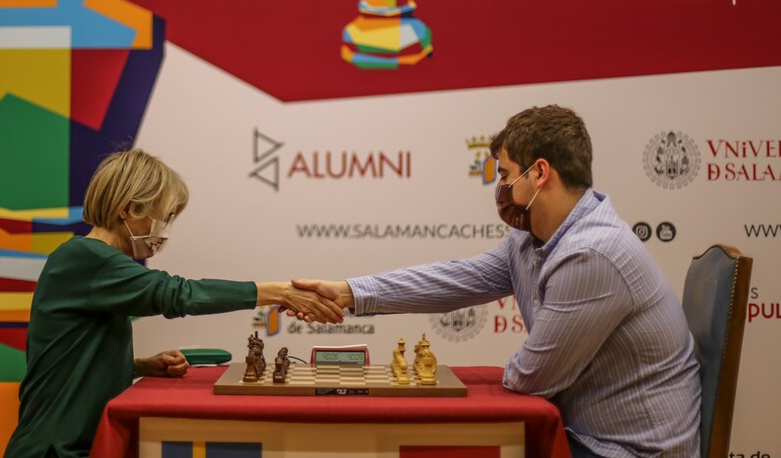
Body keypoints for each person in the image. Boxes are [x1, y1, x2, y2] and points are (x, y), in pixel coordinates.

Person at [291, 105, 701, 458]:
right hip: (587, 435)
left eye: (505, 175)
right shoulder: (532, 239)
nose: (500, 188)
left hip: (625, 450)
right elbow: (460, 280)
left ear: (539, 173)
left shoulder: (592, 253)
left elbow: (533, 378)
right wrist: (348, 293)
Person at [3, 149, 343, 458]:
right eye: (163, 217)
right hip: (53, 448)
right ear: (129, 209)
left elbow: (70, 354)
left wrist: (138, 366)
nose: (164, 230)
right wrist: (280, 292)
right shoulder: (85, 258)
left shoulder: (91, 262)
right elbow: (178, 294)